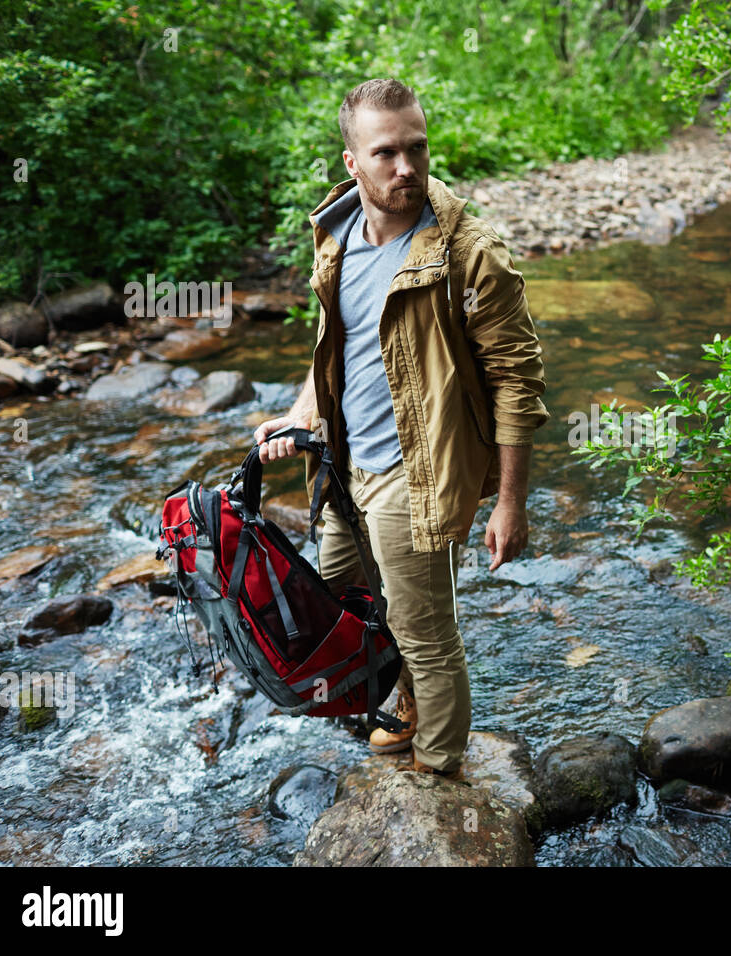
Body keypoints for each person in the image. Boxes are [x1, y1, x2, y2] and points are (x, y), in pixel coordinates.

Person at [252, 78, 549, 778]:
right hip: (340, 463)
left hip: (418, 473)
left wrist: (510, 502)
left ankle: (441, 776)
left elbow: (517, 381)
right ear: (352, 162)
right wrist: (304, 409)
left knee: (426, 633)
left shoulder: (470, 252)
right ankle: (403, 700)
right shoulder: (335, 232)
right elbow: (336, 334)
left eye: (417, 148)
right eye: (386, 153)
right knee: (341, 599)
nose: (406, 167)